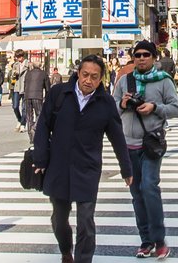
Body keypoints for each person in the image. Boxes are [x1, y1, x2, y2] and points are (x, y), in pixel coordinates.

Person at [34, 53, 135, 263]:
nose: (89, 80)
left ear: (101, 79)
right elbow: (43, 125)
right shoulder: (59, 94)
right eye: (85, 75)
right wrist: (40, 158)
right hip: (58, 165)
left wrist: (126, 169)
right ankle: (65, 250)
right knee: (59, 219)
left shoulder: (105, 103)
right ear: (78, 73)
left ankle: (83, 259)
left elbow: (117, 137)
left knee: (86, 220)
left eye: (94, 77)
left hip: (87, 168)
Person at [118, 41, 178, 259]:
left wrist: (155, 108)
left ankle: (160, 240)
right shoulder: (125, 80)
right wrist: (123, 104)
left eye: (146, 55)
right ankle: (146, 241)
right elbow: (113, 108)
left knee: (149, 188)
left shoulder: (164, 81)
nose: (141, 58)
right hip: (128, 145)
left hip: (151, 143)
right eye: (137, 55)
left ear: (154, 58)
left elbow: (176, 109)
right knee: (136, 193)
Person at [22, 54, 52, 138]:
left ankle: (31, 136)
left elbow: (25, 84)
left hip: (27, 96)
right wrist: (47, 97)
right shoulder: (43, 74)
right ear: (40, 66)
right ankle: (34, 127)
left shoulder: (28, 73)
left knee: (29, 116)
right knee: (40, 114)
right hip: (37, 96)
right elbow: (47, 87)